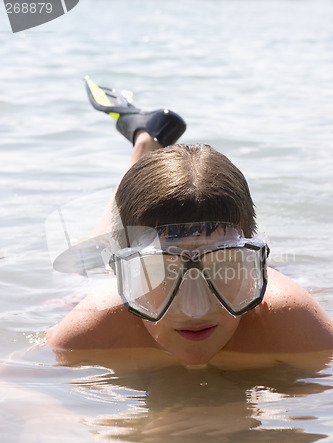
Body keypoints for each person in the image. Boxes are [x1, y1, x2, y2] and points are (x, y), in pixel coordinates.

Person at [46, 78, 333, 367]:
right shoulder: (95, 326)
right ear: (128, 280)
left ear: (253, 269)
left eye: (224, 267)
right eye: (164, 272)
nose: (195, 310)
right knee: (91, 261)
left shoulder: (292, 323)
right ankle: (145, 142)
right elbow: (19, 391)